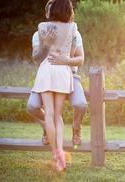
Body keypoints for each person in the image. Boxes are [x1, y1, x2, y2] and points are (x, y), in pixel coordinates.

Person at [31, 0, 85, 171]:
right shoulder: (73, 28)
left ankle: (55, 152)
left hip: (47, 69)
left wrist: (48, 43)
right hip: (62, 71)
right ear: (68, 11)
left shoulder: (42, 27)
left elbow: (38, 59)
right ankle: (60, 151)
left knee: (49, 114)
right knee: (58, 116)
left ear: (52, 10)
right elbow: (71, 52)